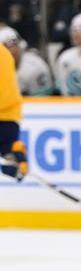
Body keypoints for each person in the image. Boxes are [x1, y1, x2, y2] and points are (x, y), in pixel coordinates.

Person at [0, 34, 27, 182]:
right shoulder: (4, 53)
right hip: (9, 118)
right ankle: (14, 154)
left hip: (5, 116)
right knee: (10, 158)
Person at [0, 27, 54, 96]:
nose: (13, 50)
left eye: (15, 44)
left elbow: (42, 102)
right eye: (6, 47)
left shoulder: (35, 67)